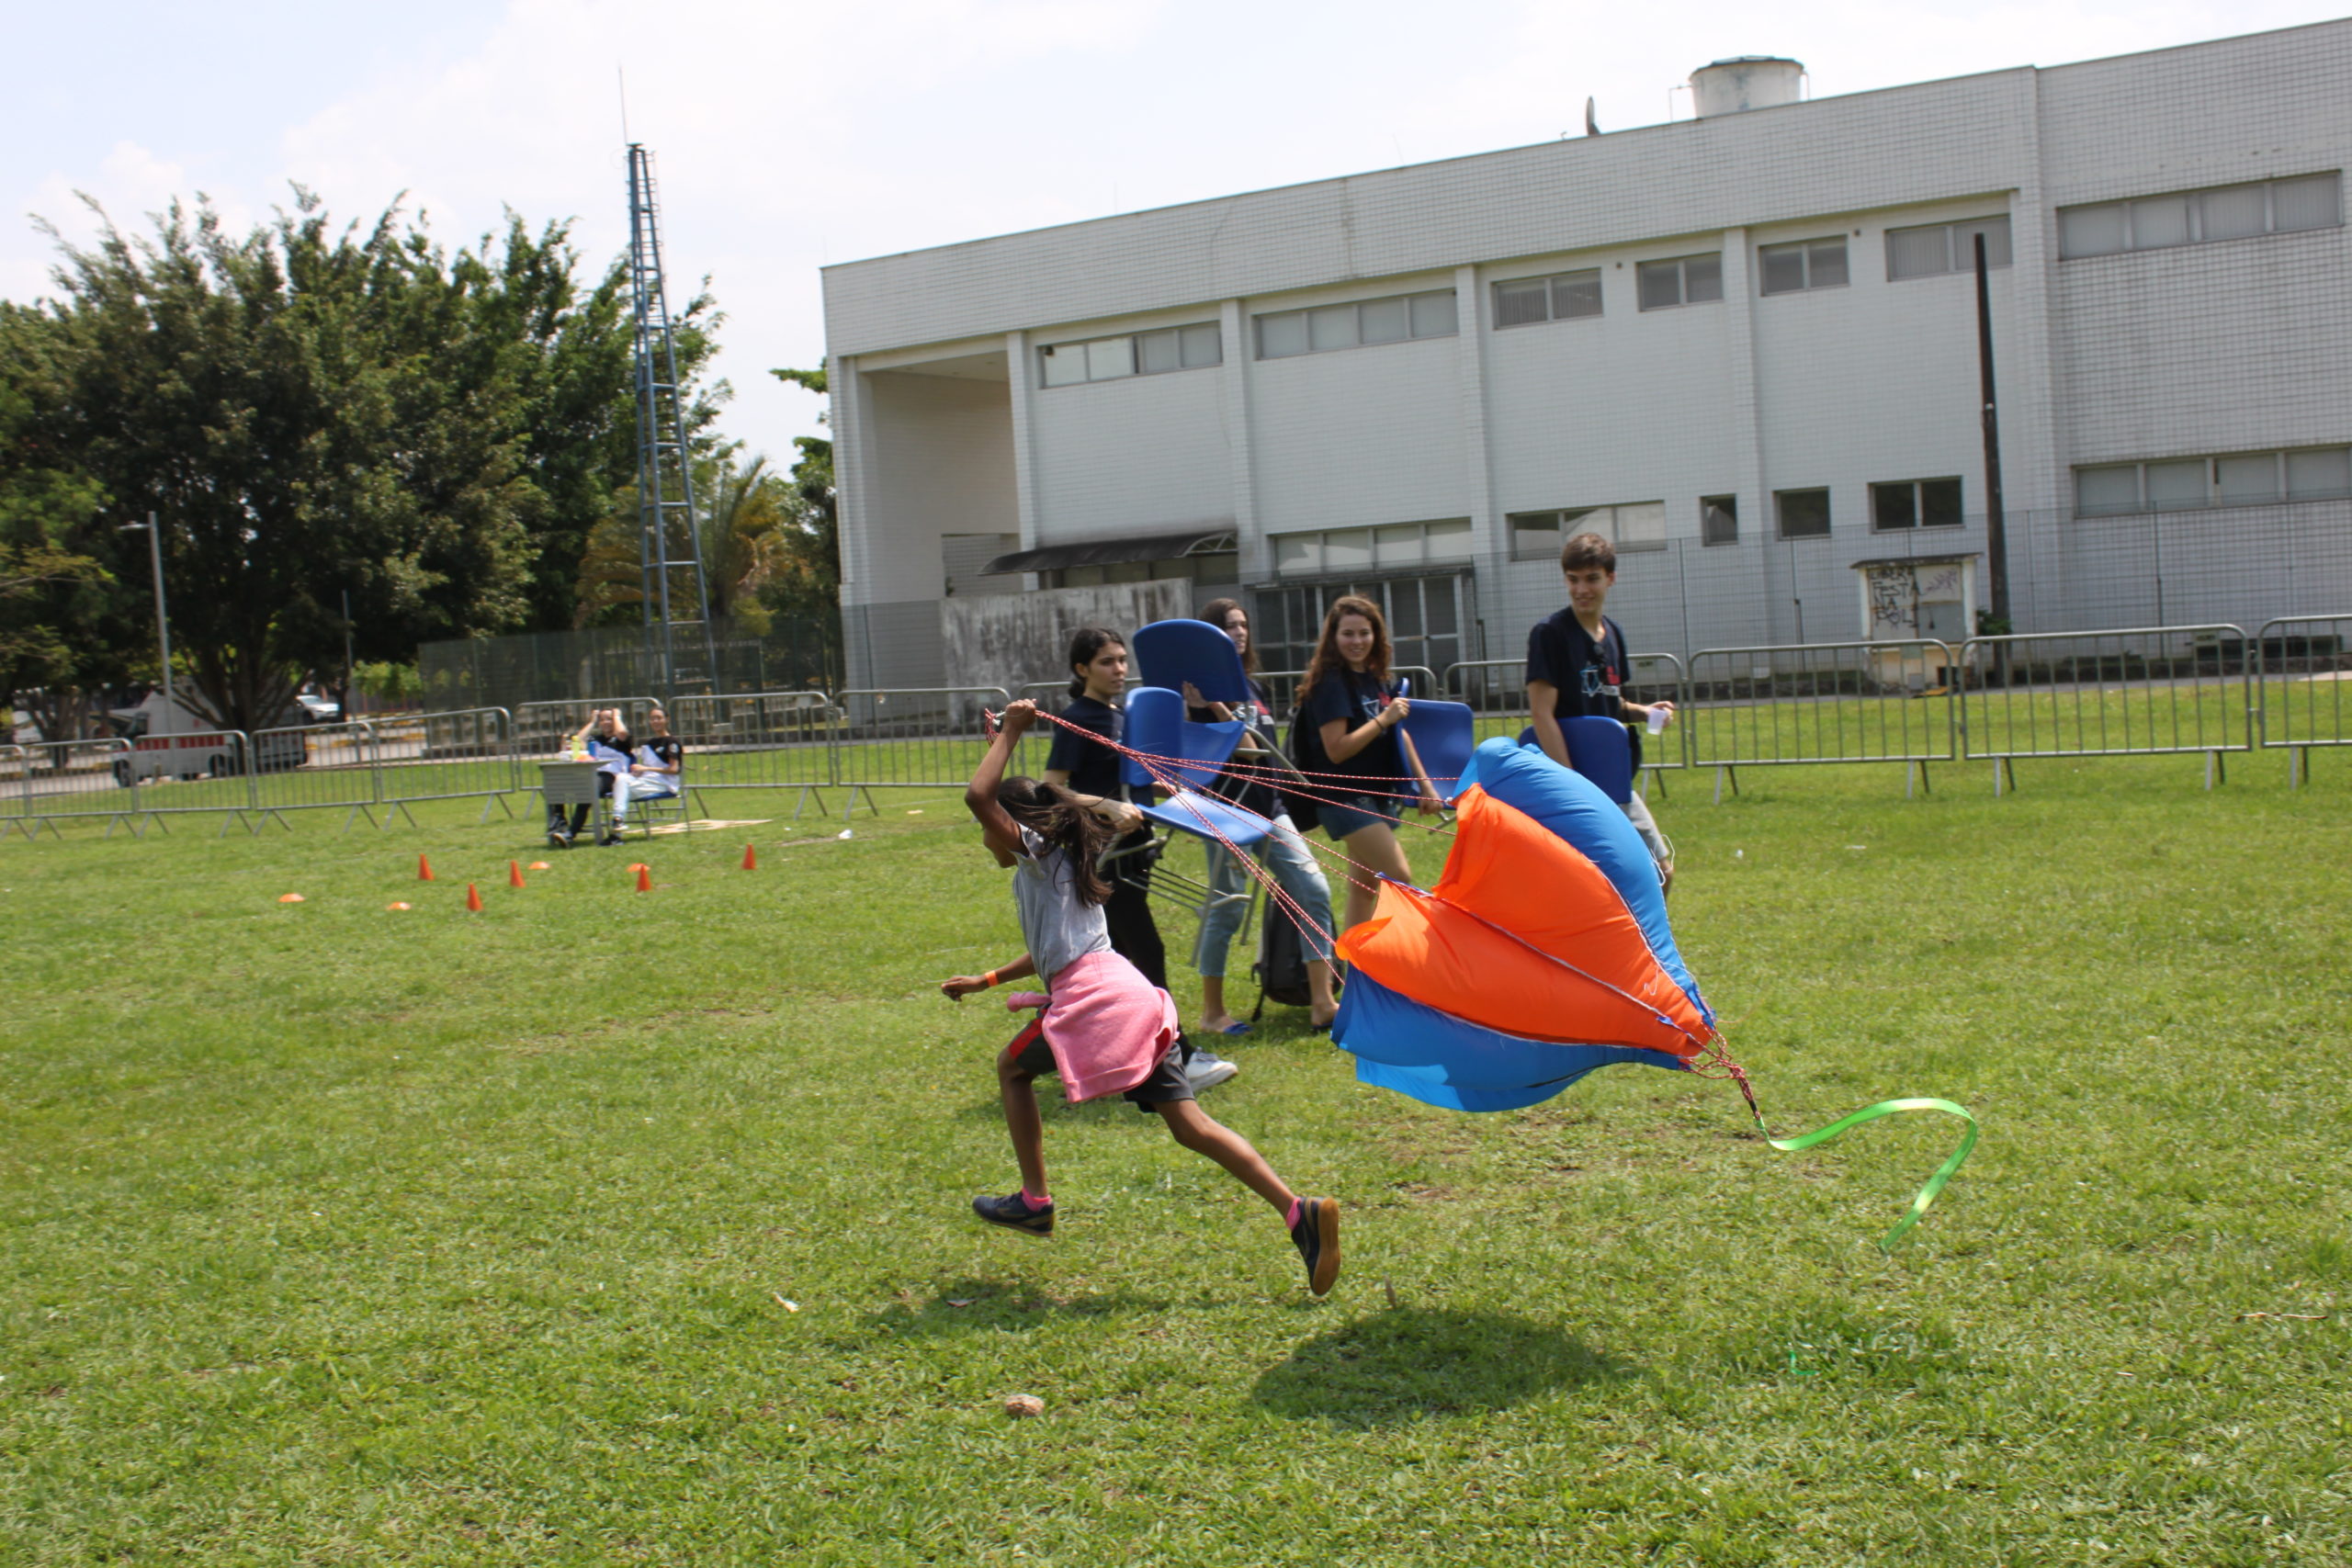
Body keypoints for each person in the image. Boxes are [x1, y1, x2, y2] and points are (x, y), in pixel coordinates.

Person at [940, 699, 1340, 1296]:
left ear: (1022, 827)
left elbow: (979, 797)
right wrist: (989, 979)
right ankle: (1298, 1211)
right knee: (1190, 1124)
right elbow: (1051, 949)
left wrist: (1014, 734)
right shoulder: (1062, 865)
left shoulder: (1041, 853)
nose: (984, 838)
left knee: (1011, 1069)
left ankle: (1034, 1200)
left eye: (991, 831)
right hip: (1128, 992)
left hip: (1095, 1001)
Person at [1042, 626, 1236, 1091]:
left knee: (1119, 960)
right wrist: (1104, 806)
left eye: (1123, 661)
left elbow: (1127, 779)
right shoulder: (1079, 718)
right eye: (1107, 662)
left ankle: (1095, 1055)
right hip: (1100, 858)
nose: (1119, 670)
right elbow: (1050, 788)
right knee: (1145, 952)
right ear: (1082, 669)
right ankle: (1180, 1056)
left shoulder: (1121, 716)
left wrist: (1159, 791)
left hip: (1132, 854)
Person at [1182, 598, 1339, 1032]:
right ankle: (1212, 1012)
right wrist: (1212, 706)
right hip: (1224, 813)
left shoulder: (1254, 688)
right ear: (1211, 635)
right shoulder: (1194, 694)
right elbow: (1236, 749)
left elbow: (1263, 750)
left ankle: (1322, 1002)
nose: (1240, 632)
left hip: (1270, 808)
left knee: (1312, 889)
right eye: (1230, 626)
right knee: (1227, 910)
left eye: (1244, 625)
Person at [1525, 531, 1675, 890]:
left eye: (1592, 579)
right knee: (1586, 885)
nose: (1581, 589)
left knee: (1659, 873)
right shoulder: (1550, 634)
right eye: (1573, 580)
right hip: (1571, 785)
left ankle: (1640, 948)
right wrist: (1571, 785)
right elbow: (1542, 714)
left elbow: (1609, 705)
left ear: (1610, 578)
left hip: (1613, 779)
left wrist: (1645, 712)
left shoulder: (1614, 635)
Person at [1300, 596, 1442, 935]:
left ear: (1376, 635)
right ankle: (1399, 959)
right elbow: (1336, 750)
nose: (1357, 642)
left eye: (1365, 633)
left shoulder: (1374, 677)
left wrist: (1425, 786)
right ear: (1333, 637)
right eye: (1348, 634)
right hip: (1344, 797)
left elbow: (1400, 736)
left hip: (1375, 795)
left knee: (1365, 887)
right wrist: (1383, 718)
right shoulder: (1331, 682)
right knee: (1400, 876)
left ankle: (1356, 975)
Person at [547, 708, 632, 848]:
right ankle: (559, 820)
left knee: (588, 792)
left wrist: (616, 715)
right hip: (593, 774)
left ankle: (570, 834)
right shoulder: (596, 740)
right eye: (602, 719)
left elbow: (622, 732)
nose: (606, 722)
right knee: (557, 782)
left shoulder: (622, 740)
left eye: (609, 719)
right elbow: (578, 739)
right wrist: (592, 721)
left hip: (611, 777)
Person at [610, 702, 684, 835]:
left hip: (664, 783)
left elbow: (674, 770)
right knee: (620, 782)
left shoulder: (672, 743)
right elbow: (646, 770)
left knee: (620, 790)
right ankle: (617, 824)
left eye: (659, 718)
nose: (655, 721)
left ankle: (617, 826)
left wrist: (645, 768)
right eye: (652, 718)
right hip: (647, 781)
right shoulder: (649, 744)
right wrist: (638, 771)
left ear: (667, 719)